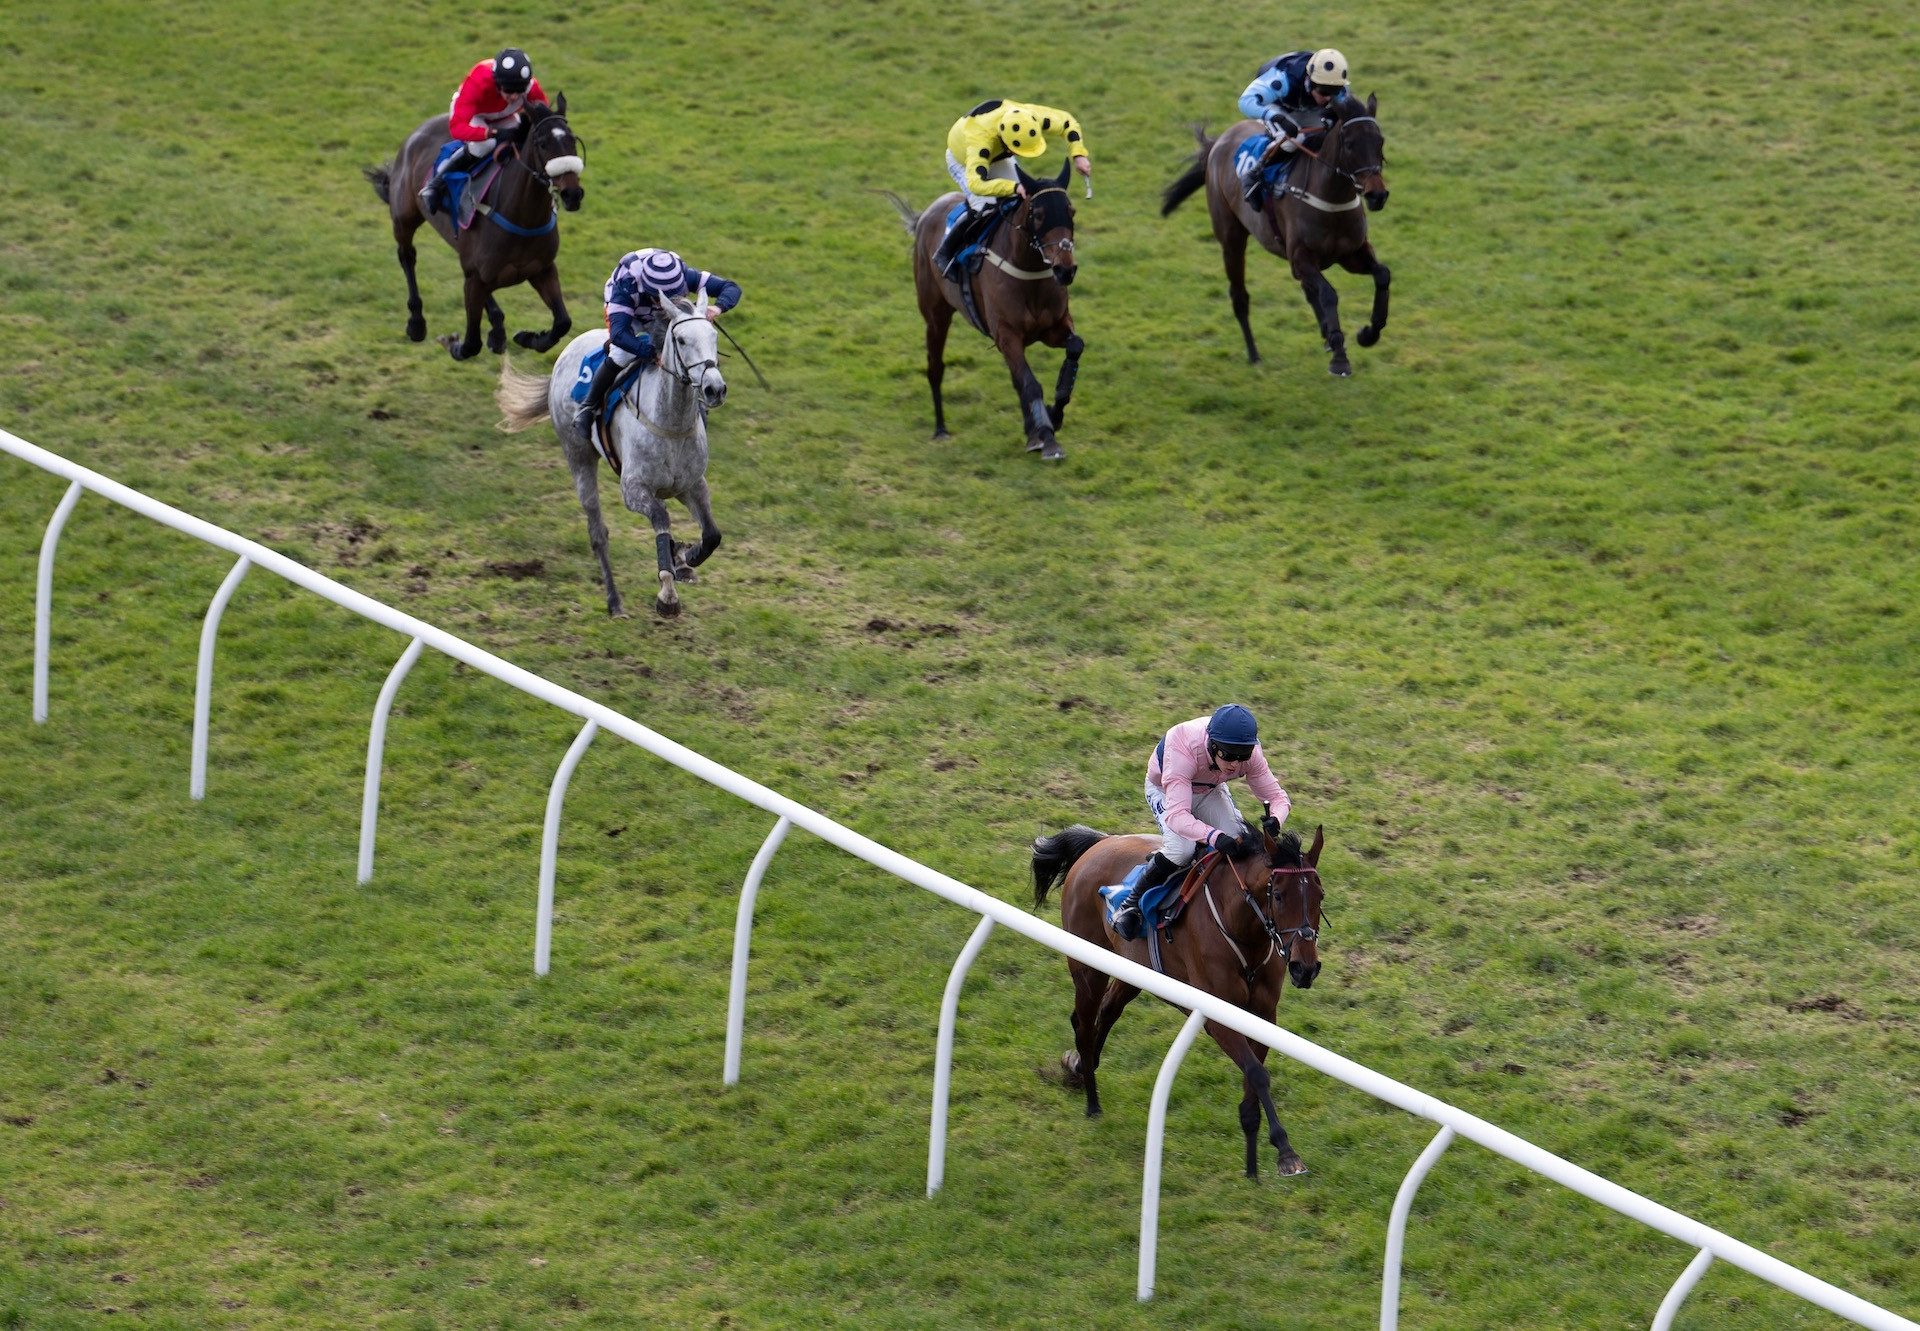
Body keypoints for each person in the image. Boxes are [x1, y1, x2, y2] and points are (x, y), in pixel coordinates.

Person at [1108, 705, 1291, 942]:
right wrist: (1213, 836)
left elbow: (1278, 798)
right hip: (1165, 791)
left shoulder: (1251, 753)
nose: (1235, 764)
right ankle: (1129, 904)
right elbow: (1178, 816)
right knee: (1182, 850)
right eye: (1228, 755)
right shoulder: (1182, 745)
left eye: (1242, 756)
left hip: (1209, 791)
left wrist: (1276, 818)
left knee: (1239, 841)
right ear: (1213, 745)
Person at [575, 248, 742, 432]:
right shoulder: (626, 285)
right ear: (650, 293)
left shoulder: (685, 275)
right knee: (621, 353)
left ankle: (698, 401)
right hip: (632, 313)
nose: (666, 306)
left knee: (692, 347)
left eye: (676, 297)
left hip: (660, 304)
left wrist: (718, 308)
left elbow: (731, 287)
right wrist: (650, 352)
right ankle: (588, 407)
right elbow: (619, 335)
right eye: (661, 300)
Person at [933, 99, 1093, 276]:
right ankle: (945, 253)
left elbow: (1067, 121)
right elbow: (977, 184)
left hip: (998, 154)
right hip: (964, 160)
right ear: (1005, 139)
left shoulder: (1030, 115)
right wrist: (1013, 186)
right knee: (984, 206)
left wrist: (1078, 154)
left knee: (1022, 201)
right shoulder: (979, 141)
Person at [419, 48, 550, 216]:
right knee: (484, 145)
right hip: (476, 115)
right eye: (509, 90)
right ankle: (435, 185)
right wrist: (492, 133)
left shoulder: (532, 88)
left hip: (505, 115)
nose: (515, 96)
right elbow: (457, 128)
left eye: (520, 91)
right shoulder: (478, 82)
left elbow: (544, 119)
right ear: (497, 84)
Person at [1234, 47, 1351, 201]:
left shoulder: (1339, 88)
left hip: (1305, 107)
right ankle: (1254, 173)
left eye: (1334, 92)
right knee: (1294, 140)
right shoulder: (1283, 79)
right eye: (1324, 92)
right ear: (1310, 82)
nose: (1329, 98)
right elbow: (1245, 102)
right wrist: (1276, 117)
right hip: (1276, 106)